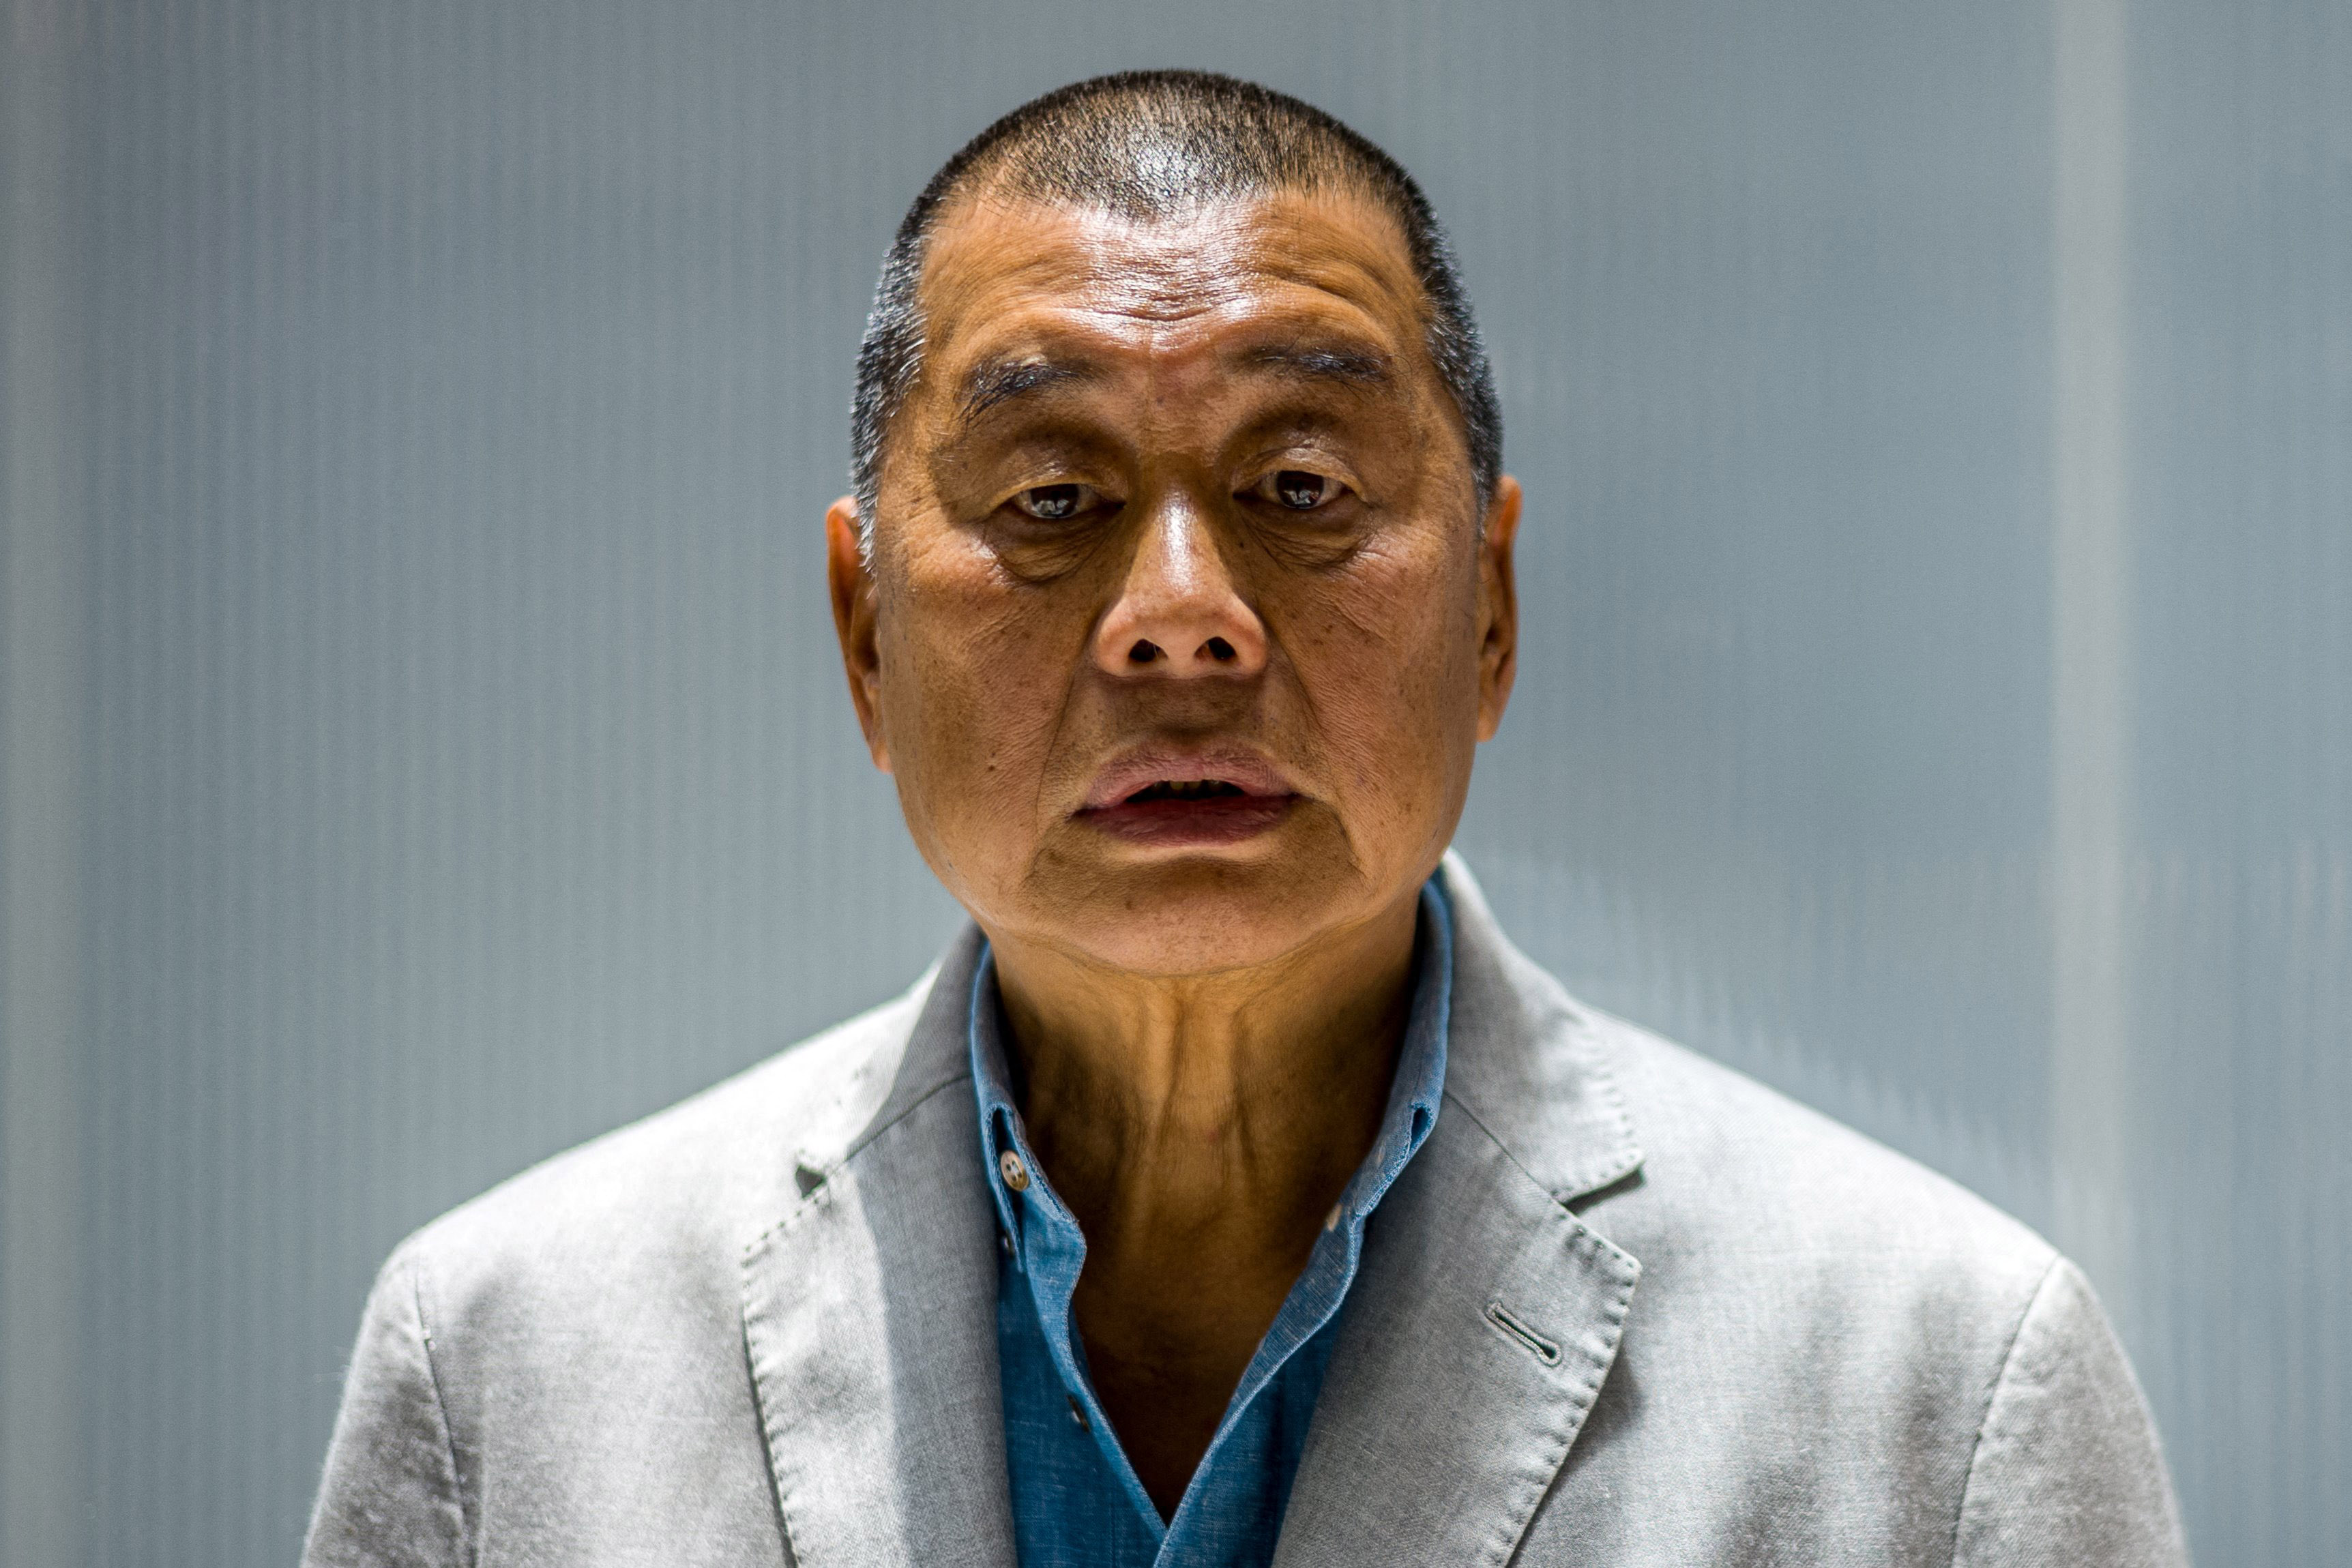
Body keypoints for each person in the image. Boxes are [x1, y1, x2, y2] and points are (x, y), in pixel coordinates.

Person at [303, 71, 2186, 1567]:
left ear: (1496, 613)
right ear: (866, 632)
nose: (1179, 606)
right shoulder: (510, 1359)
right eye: (1051, 498)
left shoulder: (1939, 1378)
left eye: (1300, 478)